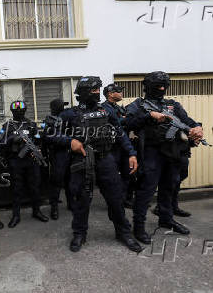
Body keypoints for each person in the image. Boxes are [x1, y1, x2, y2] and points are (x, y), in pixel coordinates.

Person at [60, 76, 142, 253]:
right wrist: (70, 141)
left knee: (115, 198)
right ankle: (79, 233)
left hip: (106, 159)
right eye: (93, 90)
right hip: (81, 161)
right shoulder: (69, 114)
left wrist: (131, 153)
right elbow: (49, 135)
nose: (97, 93)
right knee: (81, 200)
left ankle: (124, 232)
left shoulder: (106, 111)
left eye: (98, 90)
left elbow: (120, 133)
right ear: (82, 93)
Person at [125, 71, 204, 244]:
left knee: (169, 187)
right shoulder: (138, 105)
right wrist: (149, 116)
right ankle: (138, 227)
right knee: (146, 191)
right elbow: (126, 123)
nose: (162, 89)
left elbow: (188, 121)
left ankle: (166, 219)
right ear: (148, 86)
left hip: (172, 152)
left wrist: (197, 127)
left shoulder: (172, 105)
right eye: (158, 86)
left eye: (164, 86)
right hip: (151, 153)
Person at [0, 101, 49, 228]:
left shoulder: (31, 125)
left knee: (35, 187)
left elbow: (38, 140)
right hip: (16, 161)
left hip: (31, 161)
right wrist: (13, 139)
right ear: (12, 112)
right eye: (16, 111)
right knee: (16, 189)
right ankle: (16, 215)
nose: (19, 112)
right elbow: (1, 142)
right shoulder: (8, 125)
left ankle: (37, 211)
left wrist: (37, 149)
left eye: (21, 110)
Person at [102, 84, 135, 209]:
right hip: (112, 147)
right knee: (112, 177)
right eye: (118, 91)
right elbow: (115, 122)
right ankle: (113, 202)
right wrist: (126, 119)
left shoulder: (117, 107)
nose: (121, 93)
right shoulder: (104, 108)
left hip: (124, 145)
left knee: (128, 174)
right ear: (110, 94)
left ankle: (123, 200)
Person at [41, 99, 71, 220]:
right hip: (58, 153)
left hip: (69, 152)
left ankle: (71, 203)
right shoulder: (49, 121)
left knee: (70, 180)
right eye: (61, 106)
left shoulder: (67, 118)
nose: (63, 108)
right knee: (56, 182)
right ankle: (54, 207)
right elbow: (46, 138)